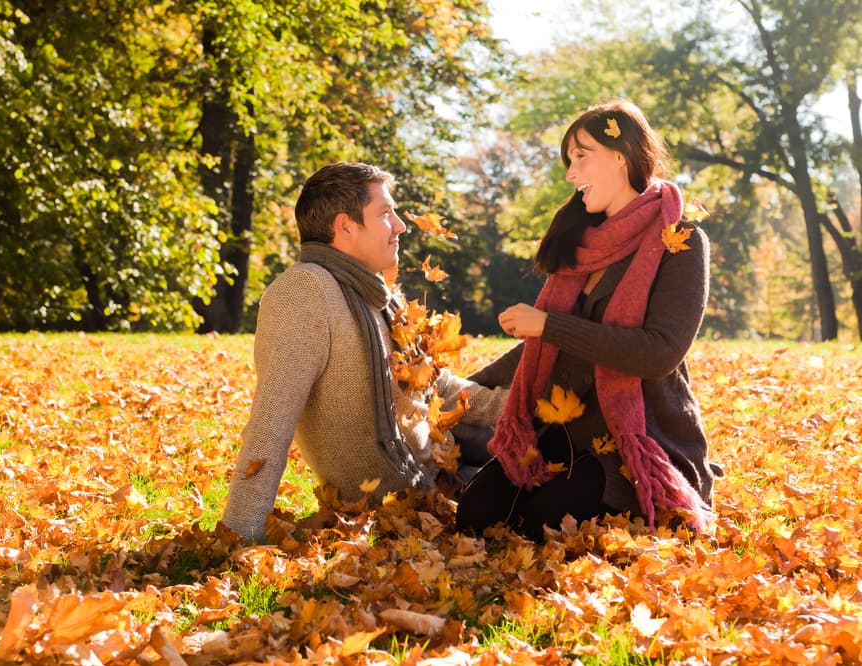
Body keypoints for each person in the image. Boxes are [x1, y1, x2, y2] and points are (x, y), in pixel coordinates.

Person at [456, 99, 720, 541]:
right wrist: (464, 390)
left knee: (542, 524)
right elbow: (542, 348)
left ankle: (673, 483)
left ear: (621, 156)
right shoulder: (581, 242)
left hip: (637, 440)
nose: (571, 173)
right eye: (569, 160)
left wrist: (548, 325)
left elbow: (659, 352)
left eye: (581, 156)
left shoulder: (681, 240)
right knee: (474, 517)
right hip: (566, 432)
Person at [222, 161, 508, 542]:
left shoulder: (376, 294)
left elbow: (434, 386)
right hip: (407, 492)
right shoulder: (305, 291)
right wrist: (238, 534)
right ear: (345, 226)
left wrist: (512, 405)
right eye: (385, 213)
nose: (400, 226)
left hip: (445, 458)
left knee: (544, 370)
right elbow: (271, 422)